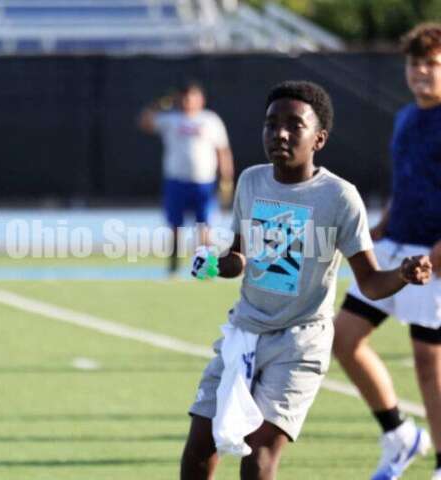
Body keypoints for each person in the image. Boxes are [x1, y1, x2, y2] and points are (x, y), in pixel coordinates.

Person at [183, 80, 432, 480]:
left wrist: (402, 275)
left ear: (319, 138)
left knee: (258, 456)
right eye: (270, 124)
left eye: (294, 125)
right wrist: (212, 263)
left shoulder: (339, 197)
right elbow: (242, 258)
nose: (279, 133)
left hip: (300, 344)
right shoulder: (251, 181)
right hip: (245, 333)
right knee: (199, 449)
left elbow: (369, 283)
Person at [331, 22, 441, 480]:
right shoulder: (405, 117)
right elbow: (408, 184)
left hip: (433, 254)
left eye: (432, 64)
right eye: (415, 64)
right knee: (343, 338)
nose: (421, 72)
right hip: (396, 247)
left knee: (429, 362)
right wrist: (378, 229)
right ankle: (399, 434)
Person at [138, 81, 234, 273]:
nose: (188, 100)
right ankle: (173, 267)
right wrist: (159, 104)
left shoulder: (210, 120)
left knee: (205, 227)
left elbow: (223, 150)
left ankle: (205, 269)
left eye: (193, 96)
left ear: (201, 99)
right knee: (175, 227)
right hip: (176, 182)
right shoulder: (171, 119)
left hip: (203, 183)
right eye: (185, 96)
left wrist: (227, 179)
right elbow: (144, 122)